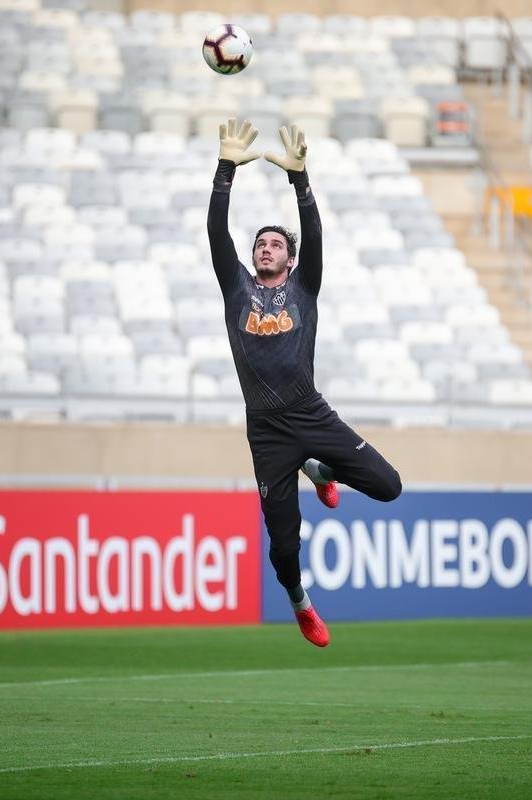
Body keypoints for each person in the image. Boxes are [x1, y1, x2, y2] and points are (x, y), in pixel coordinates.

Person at [206, 118, 403, 648]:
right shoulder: (236, 289)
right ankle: (301, 605)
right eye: (260, 243)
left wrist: (301, 180)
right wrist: (225, 170)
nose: (266, 248)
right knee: (283, 547)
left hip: (310, 413)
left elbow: (313, 236)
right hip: (266, 430)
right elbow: (216, 234)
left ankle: (318, 467)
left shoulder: (304, 287)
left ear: (290, 261)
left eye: (275, 244)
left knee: (389, 486)